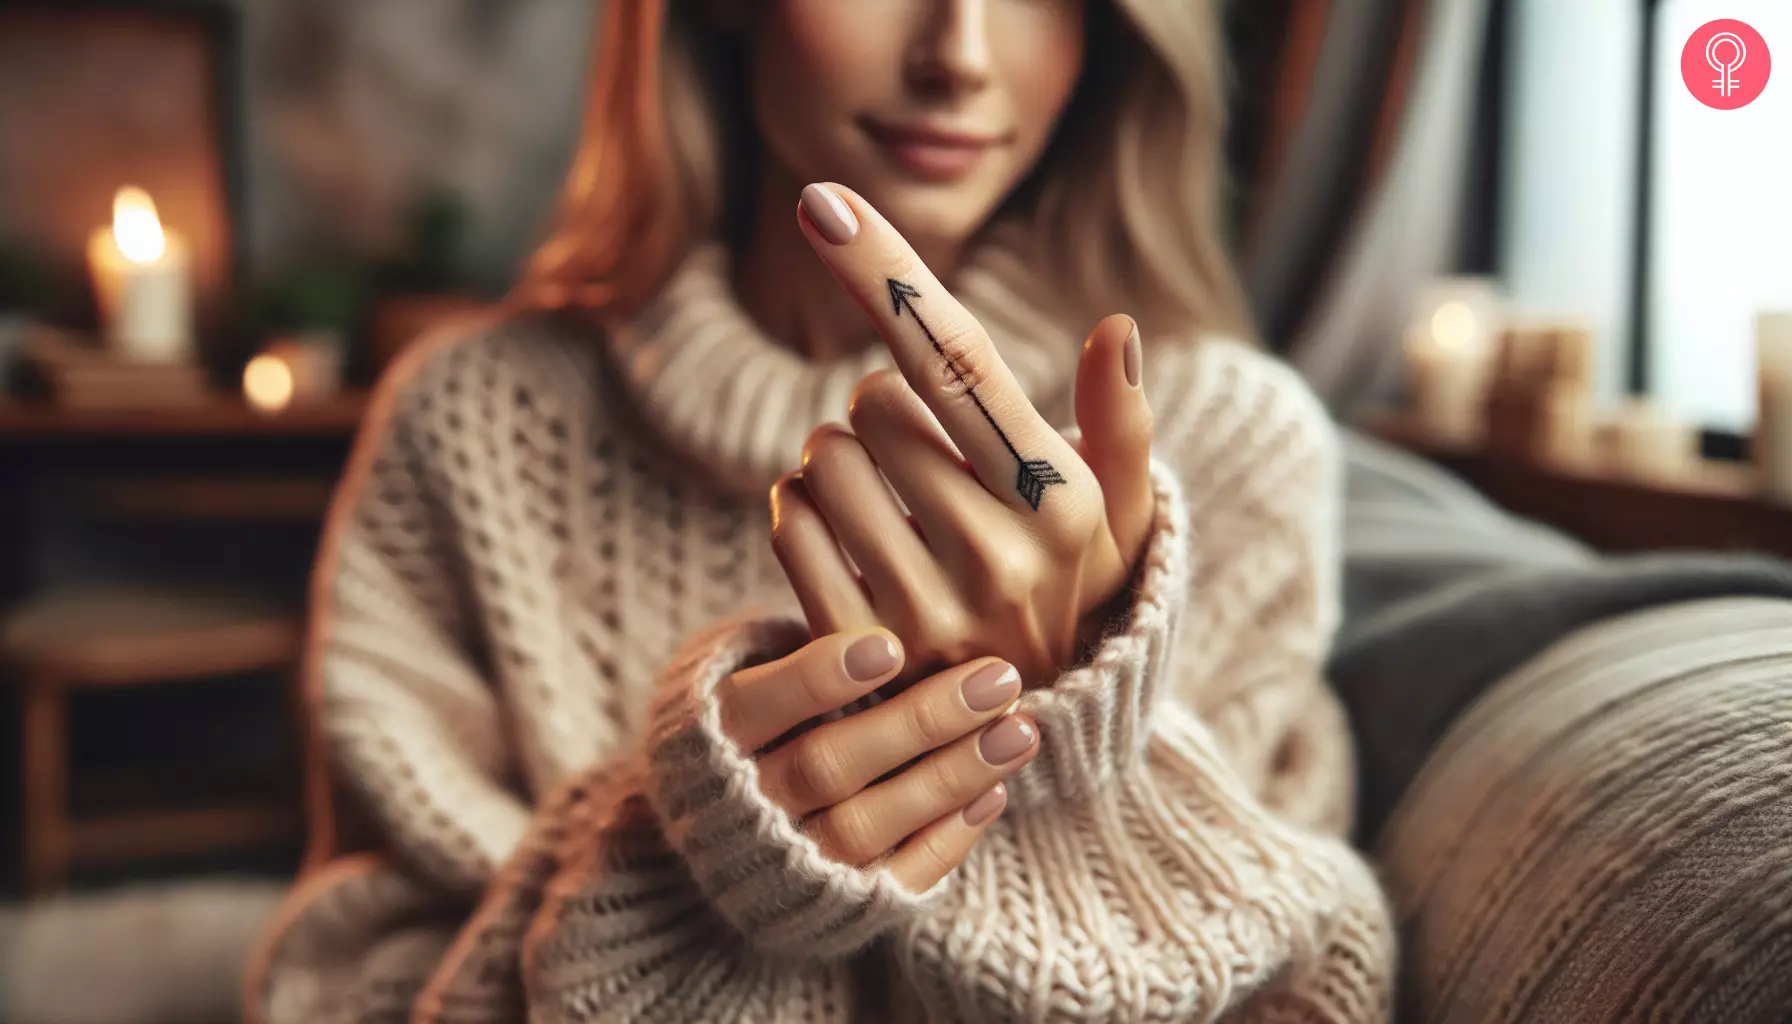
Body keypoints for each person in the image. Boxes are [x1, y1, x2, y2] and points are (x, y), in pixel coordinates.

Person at [247, 1, 1395, 1021]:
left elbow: (1299, 984)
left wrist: (1071, 761)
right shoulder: (471, 422)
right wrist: (693, 864)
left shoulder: (1227, 440)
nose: (960, 50)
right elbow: (344, 981)